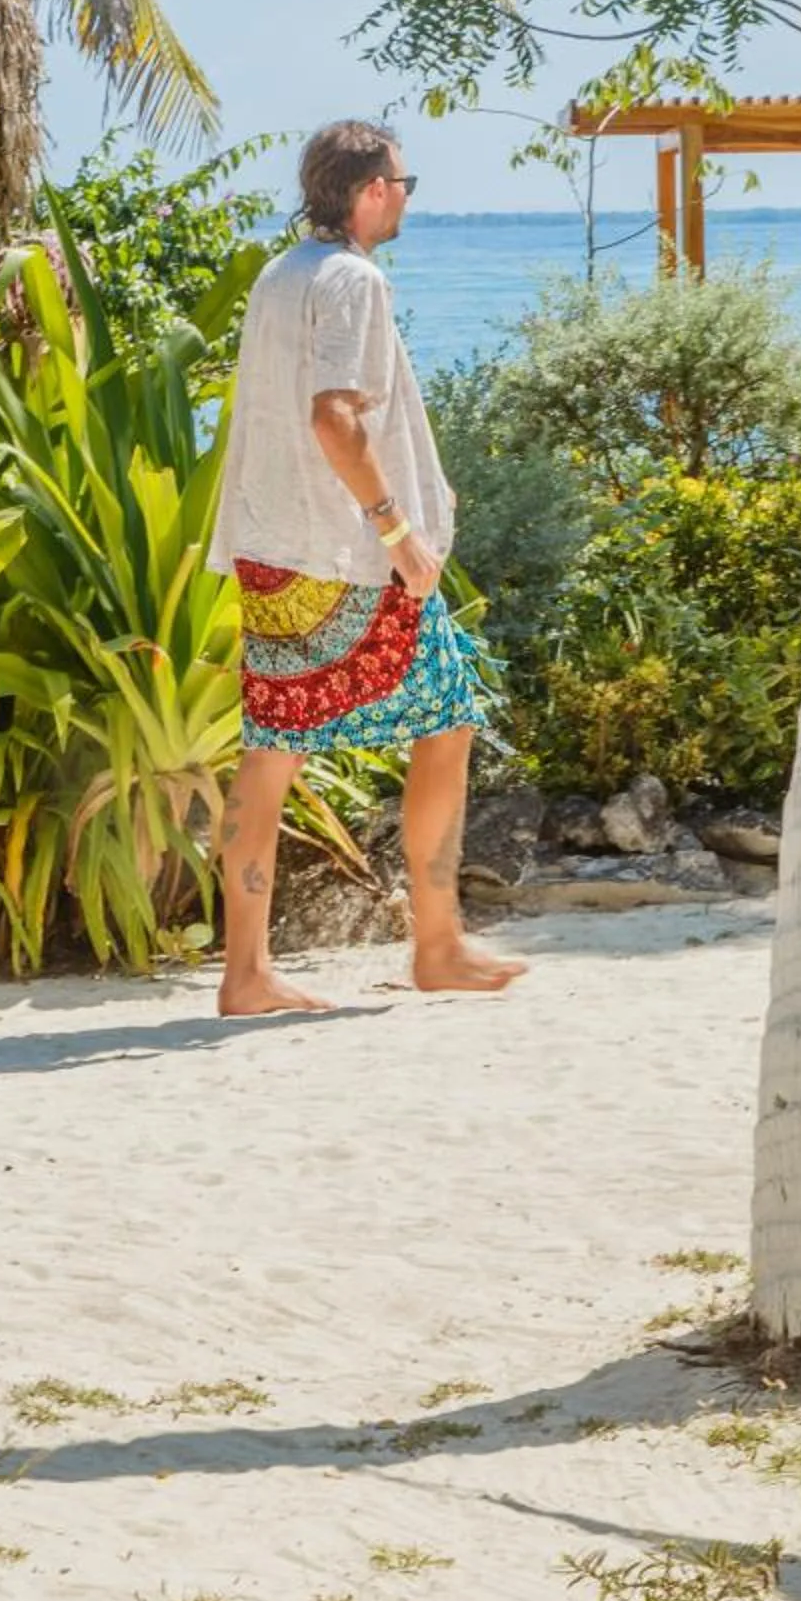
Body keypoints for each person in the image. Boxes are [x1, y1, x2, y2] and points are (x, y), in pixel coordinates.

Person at [206, 118, 527, 1015]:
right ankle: (437, 946)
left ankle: (247, 974)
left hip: (273, 547)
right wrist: (396, 529)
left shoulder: (283, 274)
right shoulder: (353, 279)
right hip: (346, 558)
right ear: (373, 190)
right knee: (450, 719)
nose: (407, 197)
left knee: (269, 755)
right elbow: (334, 416)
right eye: (403, 182)